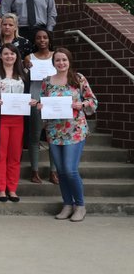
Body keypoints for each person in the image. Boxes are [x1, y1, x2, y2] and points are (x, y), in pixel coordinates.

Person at [38, 48, 97, 222]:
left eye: (64, 60)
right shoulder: (47, 81)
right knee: (61, 172)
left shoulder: (78, 79)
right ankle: (67, 204)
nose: (61, 63)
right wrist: (41, 106)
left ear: (69, 61)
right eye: (57, 60)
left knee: (70, 170)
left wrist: (82, 104)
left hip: (75, 130)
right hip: (54, 131)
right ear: (53, 63)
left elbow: (93, 101)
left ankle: (80, 205)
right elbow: (43, 100)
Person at [0, 44, 36, 203]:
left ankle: (12, 189)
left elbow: (27, 95)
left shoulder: (25, 75)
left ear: (17, 56)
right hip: (1, 119)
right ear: (0, 56)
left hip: (19, 119)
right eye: (6, 54)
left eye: (12, 54)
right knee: (0, 154)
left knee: (15, 155)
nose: (9, 57)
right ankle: (1, 188)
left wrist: (31, 102)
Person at [25, 28, 58, 184]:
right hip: (35, 97)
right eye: (39, 38)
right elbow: (24, 77)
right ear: (35, 40)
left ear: (49, 39)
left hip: (53, 99)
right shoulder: (29, 58)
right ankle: (35, 171)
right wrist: (26, 67)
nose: (42, 40)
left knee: (53, 137)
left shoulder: (57, 57)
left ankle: (53, 172)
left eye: (45, 37)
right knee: (35, 137)